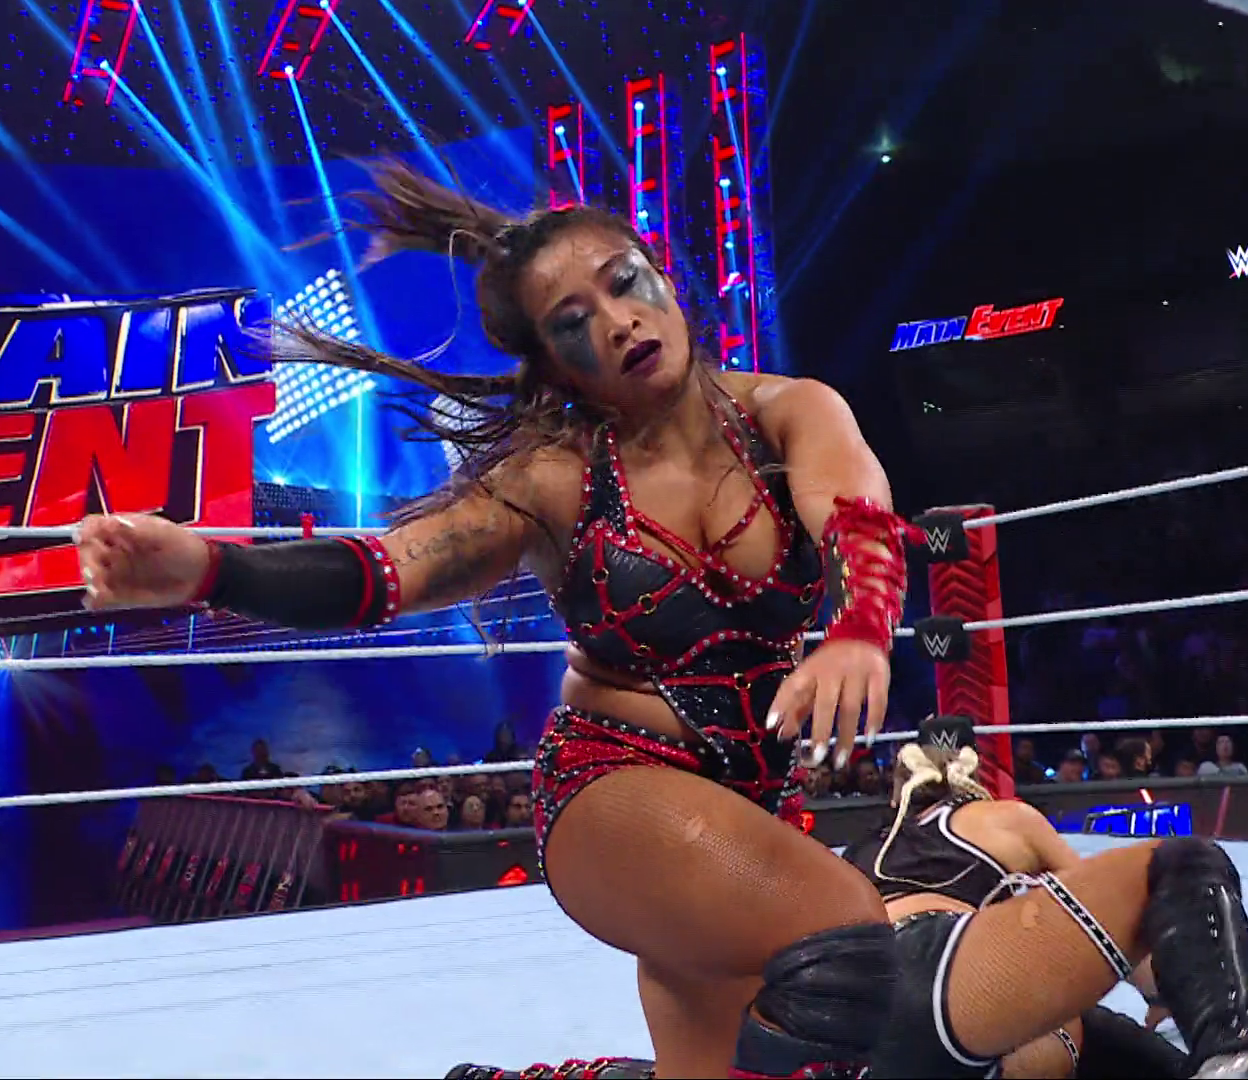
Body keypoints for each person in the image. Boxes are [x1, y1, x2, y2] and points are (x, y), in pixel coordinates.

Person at [74, 160, 917, 1080]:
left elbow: (858, 517)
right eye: (572, 323)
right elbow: (388, 572)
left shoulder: (790, 412)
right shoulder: (554, 479)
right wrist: (211, 568)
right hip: (617, 791)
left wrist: (860, 629)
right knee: (843, 943)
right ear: (553, 364)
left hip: (749, 803)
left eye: (624, 282)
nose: (618, 321)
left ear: (664, 277)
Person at [845, 716, 1248, 1080]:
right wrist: (1173, 990)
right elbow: (1105, 920)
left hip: (858, 1023)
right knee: (1184, 862)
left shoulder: (857, 852)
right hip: (949, 981)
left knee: (1084, 1028)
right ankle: (1232, 1043)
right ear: (972, 775)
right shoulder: (999, 818)